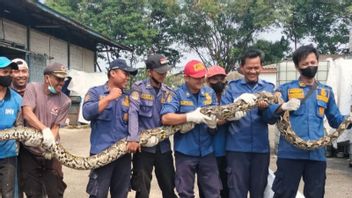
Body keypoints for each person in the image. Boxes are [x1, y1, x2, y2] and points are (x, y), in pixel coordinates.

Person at [263, 44, 352, 198]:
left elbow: (335, 120)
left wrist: (349, 118)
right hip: (290, 155)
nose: (309, 66)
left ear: (317, 63)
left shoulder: (326, 91)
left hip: (316, 156)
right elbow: (268, 117)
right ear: (298, 67)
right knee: (284, 194)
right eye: (305, 64)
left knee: (316, 194)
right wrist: (282, 107)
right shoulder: (285, 90)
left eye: (312, 62)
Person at [161, 60, 221, 198]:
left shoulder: (209, 92)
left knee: (213, 192)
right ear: (186, 77)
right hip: (185, 152)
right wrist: (188, 117)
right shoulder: (176, 94)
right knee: (185, 192)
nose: (200, 80)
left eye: (202, 77)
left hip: (207, 152)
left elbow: (216, 117)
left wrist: (213, 124)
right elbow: (166, 118)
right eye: (196, 77)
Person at [221, 49, 275, 198]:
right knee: (237, 191)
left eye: (256, 67)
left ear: (261, 67)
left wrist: (265, 110)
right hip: (237, 149)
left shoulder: (269, 88)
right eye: (249, 68)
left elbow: (271, 119)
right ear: (242, 68)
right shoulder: (231, 88)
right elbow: (223, 115)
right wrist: (236, 105)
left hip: (260, 149)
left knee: (258, 192)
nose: (253, 71)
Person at [83, 58, 138, 198]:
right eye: (125, 73)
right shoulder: (95, 92)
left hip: (123, 155)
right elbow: (87, 113)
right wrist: (108, 98)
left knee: (121, 194)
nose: (127, 77)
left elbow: (134, 121)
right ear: (113, 73)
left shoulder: (129, 96)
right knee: (97, 194)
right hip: (101, 153)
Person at [129, 54, 177, 198]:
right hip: (144, 148)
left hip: (163, 148)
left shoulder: (169, 91)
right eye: (159, 71)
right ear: (149, 71)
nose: (163, 74)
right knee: (142, 189)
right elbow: (133, 113)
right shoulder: (139, 88)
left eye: (165, 71)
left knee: (169, 186)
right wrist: (133, 138)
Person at [21, 62, 71, 198]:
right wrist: (44, 129)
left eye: (63, 79)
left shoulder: (65, 101)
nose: (62, 82)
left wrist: (50, 143)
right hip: (30, 151)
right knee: (33, 192)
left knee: (55, 190)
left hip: (51, 151)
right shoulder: (32, 88)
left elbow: (55, 127)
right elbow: (27, 112)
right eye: (58, 79)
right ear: (47, 78)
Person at [0, 56, 21, 198]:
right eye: (5, 72)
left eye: (10, 72)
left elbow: (20, 126)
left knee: (8, 194)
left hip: (8, 156)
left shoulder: (17, 99)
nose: (9, 76)